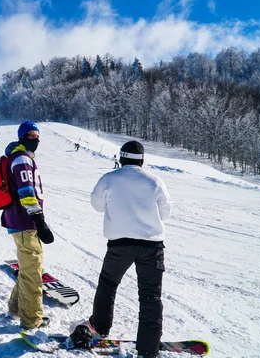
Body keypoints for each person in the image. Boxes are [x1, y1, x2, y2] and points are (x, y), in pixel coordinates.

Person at [83, 141, 172, 358]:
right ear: (142, 160)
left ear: (121, 158)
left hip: (120, 245)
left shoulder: (109, 179)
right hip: (151, 245)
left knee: (108, 284)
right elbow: (165, 213)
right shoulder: (154, 181)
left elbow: (96, 206)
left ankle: (100, 326)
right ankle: (148, 349)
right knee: (150, 295)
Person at [1, 121, 54, 330]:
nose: (36, 139)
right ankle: (32, 320)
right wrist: (39, 221)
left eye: (38, 135)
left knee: (29, 268)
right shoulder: (22, 158)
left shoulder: (22, 156)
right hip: (25, 222)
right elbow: (26, 192)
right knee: (33, 272)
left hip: (23, 221)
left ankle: (17, 307)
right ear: (22, 136)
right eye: (31, 135)